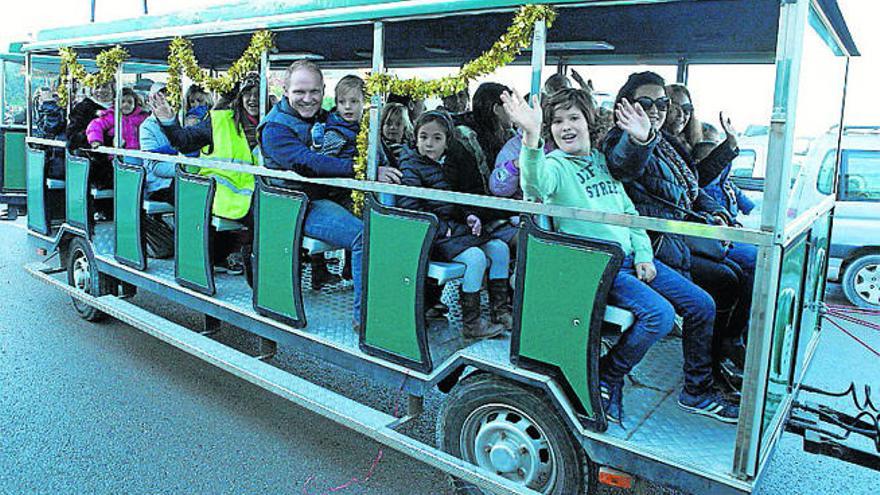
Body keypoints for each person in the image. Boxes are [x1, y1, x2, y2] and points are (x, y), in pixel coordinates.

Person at [503, 87, 738, 424]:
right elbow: (535, 185)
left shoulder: (600, 161)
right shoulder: (555, 165)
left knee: (702, 305)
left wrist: (643, 253)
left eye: (574, 118)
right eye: (556, 122)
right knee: (658, 315)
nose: (566, 126)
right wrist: (530, 135)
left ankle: (696, 390)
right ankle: (606, 374)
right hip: (599, 266)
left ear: (588, 122)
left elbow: (628, 214)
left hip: (632, 257)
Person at [602, 72, 751, 390]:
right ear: (627, 104)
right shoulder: (622, 138)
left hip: (676, 236)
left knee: (735, 275)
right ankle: (706, 368)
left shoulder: (666, 141)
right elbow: (623, 165)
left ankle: (716, 356)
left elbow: (690, 186)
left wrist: (716, 211)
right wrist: (639, 139)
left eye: (661, 103)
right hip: (655, 242)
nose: (656, 109)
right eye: (646, 102)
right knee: (725, 282)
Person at [258, 60, 401, 329]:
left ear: (323, 90)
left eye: (314, 92)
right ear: (286, 90)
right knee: (363, 235)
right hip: (296, 205)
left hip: (326, 195)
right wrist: (366, 171)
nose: (308, 98)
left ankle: (400, 299)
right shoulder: (275, 128)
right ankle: (366, 318)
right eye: (300, 92)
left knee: (391, 221)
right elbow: (308, 163)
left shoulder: (324, 118)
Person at [398, 111, 511, 340]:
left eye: (437, 138)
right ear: (416, 138)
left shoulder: (447, 164)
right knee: (476, 258)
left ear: (447, 141)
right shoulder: (411, 166)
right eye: (424, 137)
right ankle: (472, 322)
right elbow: (410, 207)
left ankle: (500, 311)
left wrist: (471, 215)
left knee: (500, 249)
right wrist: (442, 228)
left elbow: (455, 200)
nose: (429, 143)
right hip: (432, 236)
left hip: (453, 230)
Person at [150, 72, 262, 276]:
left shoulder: (272, 122)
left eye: (258, 93)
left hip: (258, 189)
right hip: (225, 192)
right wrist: (169, 122)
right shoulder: (220, 120)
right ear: (239, 97)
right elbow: (185, 141)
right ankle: (254, 266)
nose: (253, 99)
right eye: (247, 94)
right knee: (265, 217)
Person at [67, 80, 116, 189]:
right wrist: (101, 139)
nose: (101, 91)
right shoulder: (83, 108)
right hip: (95, 161)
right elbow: (72, 137)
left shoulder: (122, 107)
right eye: (97, 87)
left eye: (105, 86)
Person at [138, 82, 177, 203]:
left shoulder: (181, 120)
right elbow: (155, 167)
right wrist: (184, 169)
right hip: (159, 186)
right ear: (151, 101)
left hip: (180, 180)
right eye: (159, 98)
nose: (163, 101)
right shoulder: (147, 127)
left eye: (167, 97)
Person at [86, 87, 149, 154]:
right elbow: (95, 126)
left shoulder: (141, 117)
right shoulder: (112, 116)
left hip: (138, 154)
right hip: (118, 154)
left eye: (130, 102)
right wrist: (95, 140)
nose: (126, 105)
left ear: (135, 105)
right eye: (122, 102)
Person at [33, 87, 66, 179]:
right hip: (55, 164)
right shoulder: (48, 112)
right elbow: (48, 129)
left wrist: (48, 103)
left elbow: (51, 128)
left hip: (58, 165)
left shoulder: (56, 111)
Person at [378, 102, 413, 169]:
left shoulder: (411, 149)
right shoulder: (378, 148)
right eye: (388, 123)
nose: (393, 127)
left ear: (404, 128)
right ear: (382, 125)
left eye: (398, 124)